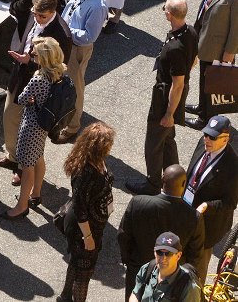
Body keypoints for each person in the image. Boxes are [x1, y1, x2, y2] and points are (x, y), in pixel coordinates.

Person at [0, 0, 71, 186]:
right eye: (35, 13)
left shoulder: (62, 34)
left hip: (37, 88)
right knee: (9, 117)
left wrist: (31, 62)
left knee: (27, 133)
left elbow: (57, 68)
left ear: (53, 11)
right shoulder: (32, 16)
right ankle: (12, 157)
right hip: (18, 77)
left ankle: (22, 166)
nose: (37, 18)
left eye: (42, 16)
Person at [127, 0, 198, 195]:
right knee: (167, 139)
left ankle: (153, 184)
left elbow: (177, 84)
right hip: (174, 93)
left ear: (169, 14)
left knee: (154, 141)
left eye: (164, 9)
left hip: (167, 96)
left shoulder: (176, 48)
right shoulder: (190, 31)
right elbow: (194, 59)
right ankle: (174, 178)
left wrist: (169, 113)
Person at [0, 36, 66, 219]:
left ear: (43, 58)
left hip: (31, 125)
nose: (31, 56)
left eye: (34, 55)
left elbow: (21, 99)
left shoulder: (38, 79)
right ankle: (35, 194)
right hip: (44, 124)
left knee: (27, 166)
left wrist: (30, 98)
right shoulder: (58, 73)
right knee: (38, 157)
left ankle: (22, 206)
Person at [118, 164, 205, 299]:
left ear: (162, 180)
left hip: (137, 270)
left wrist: (130, 261)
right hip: (171, 283)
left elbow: (123, 236)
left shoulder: (138, 203)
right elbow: (195, 256)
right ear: (184, 184)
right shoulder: (193, 217)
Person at [58, 121, 115, 302]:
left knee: (77, 263)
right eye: (108, 144)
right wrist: (88, 237)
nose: (110, 147)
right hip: (83, 229)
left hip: (93, 225)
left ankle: (65, 297)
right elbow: (80, 208)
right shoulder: (84, 173)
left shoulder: (97, 160)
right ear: (98, 147)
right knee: (84, 273)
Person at [56, 0, 108, 144]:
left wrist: (66, 30)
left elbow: (89, 37)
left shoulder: (98, 6)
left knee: (75, 87)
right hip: (66, 43)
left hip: (77, 49)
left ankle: (73, 127)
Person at [185, 0, 237, 129]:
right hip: (207, 41)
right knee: (204, 79)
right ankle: (202, 107)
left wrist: (229, 54)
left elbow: (236, 28)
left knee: (212, 84)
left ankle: (205, 119)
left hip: (218, 49)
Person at [183, 115, 238, 285]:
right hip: (185, 213)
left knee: (196, 273)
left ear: (225, 139)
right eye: (206, 134)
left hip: (206, 226)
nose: (207, 139)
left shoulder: (233, 166)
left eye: (212, 137)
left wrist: (207, 206)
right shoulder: (203, 144)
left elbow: (230, 202)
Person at [129, 232, 201, 302]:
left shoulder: (189, 287)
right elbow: (136, 293)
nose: (163, 258)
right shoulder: (147, 269)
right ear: (154, 252)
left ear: (178, 256)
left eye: (168, 253)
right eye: (159, 252)